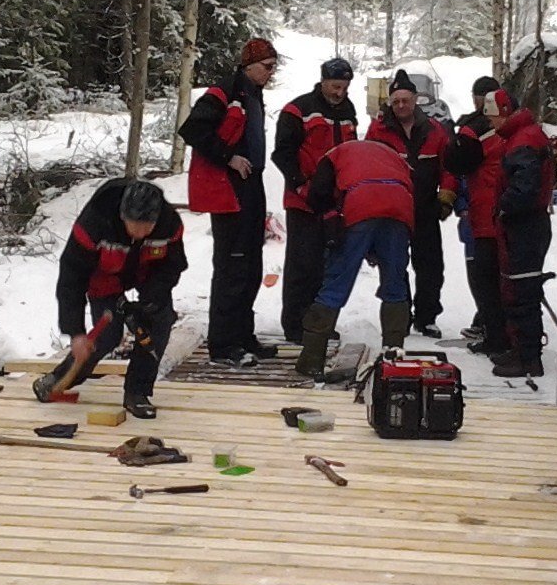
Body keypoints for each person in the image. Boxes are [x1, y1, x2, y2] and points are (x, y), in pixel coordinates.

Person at [32, 178, 186, 419]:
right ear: (122, 216)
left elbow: (173, 265)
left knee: (158, 325)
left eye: (147, 226)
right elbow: (71, 279)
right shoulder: (95, 222)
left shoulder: (169, 224)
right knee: (107, 335)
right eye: (134, 224)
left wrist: (152, 298)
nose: (140, 232)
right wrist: (76, 332)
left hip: (148, 273)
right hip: (104, 276)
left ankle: (137, 392)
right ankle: (58, 379)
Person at [178, 37, 280, 366]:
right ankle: (223, 344)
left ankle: (243, 334)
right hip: (229, 187)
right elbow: (192, 130)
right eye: (266, 66)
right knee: (231, 267)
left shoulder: (252, 93)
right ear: (249, 64)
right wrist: (228, 157)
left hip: (251, 184)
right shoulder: (224, 91)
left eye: (273, 67)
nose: (270, 72)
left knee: (251, 266)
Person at [296, 139, 415, 379]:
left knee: (336, 283)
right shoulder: (391, 154)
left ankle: (311, 359)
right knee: (395, 284)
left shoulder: (333, 154)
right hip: (400, 205)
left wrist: (329, 219)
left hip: (360, 203)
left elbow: (319, 192)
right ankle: (394, 353)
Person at [271, 56, 359, 343]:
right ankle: (295, 324)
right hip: (303, 199)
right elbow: (282, 153)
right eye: (335, 86)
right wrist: (299, 184)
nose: (339, 92)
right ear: (322, 81)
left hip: (334, 200)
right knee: (302, 264)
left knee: (327, 264)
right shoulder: (299, 109)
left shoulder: (348, 110)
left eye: (344, 87)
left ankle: (318, 322)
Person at [364, 70, 455, 339]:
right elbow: (368, 166)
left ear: (415, 100)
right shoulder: (377, 131)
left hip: (426, 207)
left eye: (406, 100)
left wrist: (446, 195)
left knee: (430, 265)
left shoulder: (435, 130)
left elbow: (447, 166)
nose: (401, 106)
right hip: (393, 209)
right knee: (394, 264)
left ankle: (427, 317)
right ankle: (399, 316)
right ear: (390, 102)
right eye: (396, 101)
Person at [482, 88, 556, 378]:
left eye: (492, 119)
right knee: (520, 288)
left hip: (524, 226)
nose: (491, 125)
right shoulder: (526, 135)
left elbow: (525, 187)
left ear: (502, 113)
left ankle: (528, 357)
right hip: (528, 223)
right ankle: (523, 351)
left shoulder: (522, 142)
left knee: (522, 291)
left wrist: (503, 207)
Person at [443, 75, 509, 356]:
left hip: (488, 210)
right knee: (484, 271)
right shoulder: (477, 127)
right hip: (477, 208)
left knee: (487, 273)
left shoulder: (482, 130)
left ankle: (493, 326)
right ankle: (487, 321)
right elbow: (458, 172)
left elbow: (457, 164)